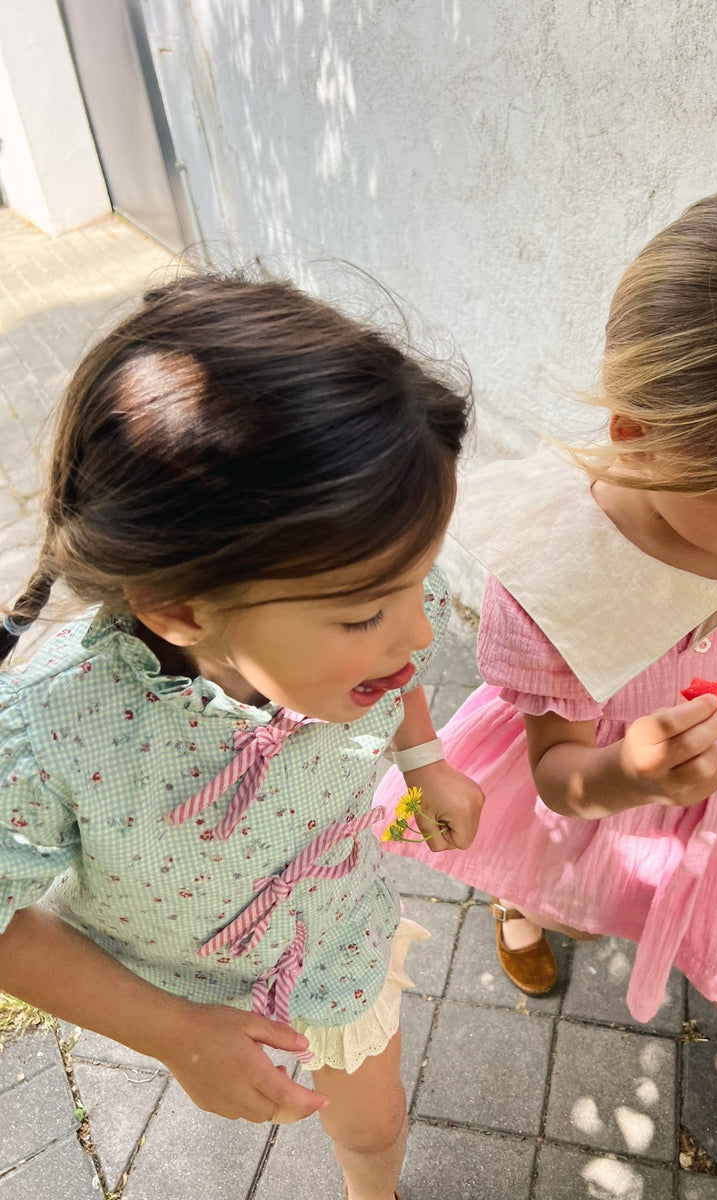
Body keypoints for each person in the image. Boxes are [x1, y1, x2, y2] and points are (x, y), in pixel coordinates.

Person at [376, 188, 717, 1200]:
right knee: (532, 862)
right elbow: (556, 775)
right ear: (639, 434)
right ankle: (518, 914)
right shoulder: (557, 583)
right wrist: (624, 772)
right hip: (608, 806)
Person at [0, 273, 483, 1200]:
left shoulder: (352, 636)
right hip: (186, 987)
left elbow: (400, 680)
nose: (419, 634)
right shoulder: (54, 728)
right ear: (180, 608)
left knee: (376, 1127)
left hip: (336, 947)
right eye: (366, 613)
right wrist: (175, 1033)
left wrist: (427, 759)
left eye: (419, 586)